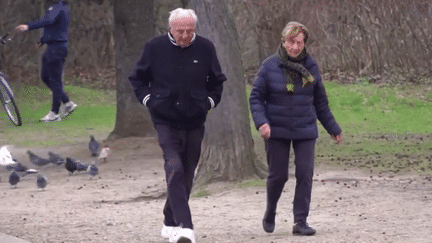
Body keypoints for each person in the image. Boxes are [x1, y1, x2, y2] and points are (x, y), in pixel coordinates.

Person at [129, 8, 226, 243]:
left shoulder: (205, 48)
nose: (185, 35)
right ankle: (185, 227)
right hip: (165, 119)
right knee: (174, 167)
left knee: (187, 171)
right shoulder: (154, 47)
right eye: (180, 31)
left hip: (194, 119)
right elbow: (137, 79)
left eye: (189, 31)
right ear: (170, 28)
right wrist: (149, 101)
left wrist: (209, 102)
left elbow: (217, 82)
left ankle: (169, 219)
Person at [249, 21, 342, 236]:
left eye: (299, 42)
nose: (295, 47)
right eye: (291, 42)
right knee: (278, 175)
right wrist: (262, 122)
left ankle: (300, 221)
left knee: (305, 174)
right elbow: (256, 98)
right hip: (276, 129)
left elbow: (320, 102)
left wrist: (333, 128)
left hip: (305, 128)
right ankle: (270, 210)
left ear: (304, 43)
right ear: (283, 41)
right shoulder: (269, 65)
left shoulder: (311, 66)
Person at [16, 0, 77, 123]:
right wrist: (42, 40)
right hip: (51, 47)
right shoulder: (57, 7)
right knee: (45, 77)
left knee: (55, 80)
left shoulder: (58, 6)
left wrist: (28, 26)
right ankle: (67, 102)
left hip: (56, 48)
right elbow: (53, 28)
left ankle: (54, 113)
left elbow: (48, 21)